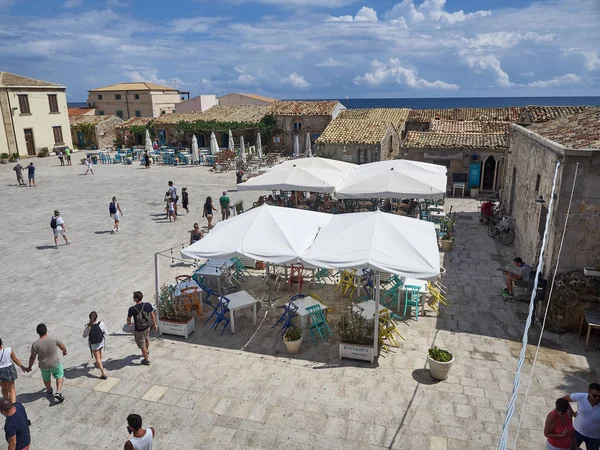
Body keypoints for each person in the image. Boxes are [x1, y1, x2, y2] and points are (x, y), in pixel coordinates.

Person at [27, 323, 67, 403]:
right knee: (59, 375)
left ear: (37, 332)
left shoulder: (35, 344)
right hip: (55, 363)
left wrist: (29, 367)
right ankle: (58, 391)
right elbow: (62, 346)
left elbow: (32, 357)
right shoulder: (54, 339)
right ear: (46, 330)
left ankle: (49, 390)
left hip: (43, 365)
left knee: (46, 378)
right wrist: (64, 351)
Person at [563, 383, 600, 450]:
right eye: (595, 396)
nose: (598, 398)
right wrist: (572, 413)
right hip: (577, 432)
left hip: (595, 437)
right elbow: (563, 400)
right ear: (589, 392)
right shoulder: (580, 397)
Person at [127, 292, 157, 366]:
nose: (133, 298)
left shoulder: (132, 309)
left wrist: (129, 323)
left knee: (142, 345)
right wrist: (154, 324)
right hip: (147, 326)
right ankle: (147, 351)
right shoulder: (147, 305)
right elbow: (152, 315)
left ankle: (146, 360)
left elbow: (128, 319)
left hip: (139, 329)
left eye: (134, 297)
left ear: (136, 299)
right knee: (147, 338)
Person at [0, 338, 29, 404]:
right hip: (8, 371)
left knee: (3, 388)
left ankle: (6, 402)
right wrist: (22, 367)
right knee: (11, 389)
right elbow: (15, 360)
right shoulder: (8, 350)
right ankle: (13, 403)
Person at [82, 311, 108, 380]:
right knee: (99, 353)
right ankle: (98, 364)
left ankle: (103, 373)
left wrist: (88, 326)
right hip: (101, 342)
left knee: (97, 358)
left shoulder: (88, 326)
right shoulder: (101, 323)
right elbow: (105, 332)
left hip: (94, 344)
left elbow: (84, 335)